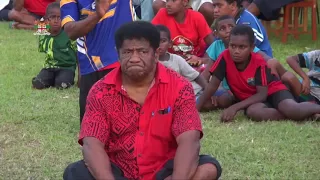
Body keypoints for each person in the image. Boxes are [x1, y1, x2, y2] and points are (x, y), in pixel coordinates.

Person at [63, 21, 222, 180]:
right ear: (117, 54)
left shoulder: (179, 87)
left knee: (208, 168)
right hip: (118, 170)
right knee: (75, 172)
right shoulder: (101, 91)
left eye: (142, 51)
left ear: (156, 53)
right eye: (127, 52)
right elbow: (92, 144)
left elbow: (189, 140)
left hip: (165, 169)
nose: (134, 58)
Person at [197, 25, 320, 122]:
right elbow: (212, 86)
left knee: (292, 109)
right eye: (232, 46)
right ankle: (303, 116)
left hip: (273, 90)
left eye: (242, 47)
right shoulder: (224, 57)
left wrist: (235, 107)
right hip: (253, 100)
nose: (236, 51)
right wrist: (196, 108)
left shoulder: (259, 62)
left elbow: (262, 94)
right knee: (254, 113)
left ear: (251, 48)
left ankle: (303, 111)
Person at [60, 0, 134, 124]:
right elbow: (71, 31)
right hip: (92, 67)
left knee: (126, 127)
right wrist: (98, 14)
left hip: (123, 63)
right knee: (91, 130)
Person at [152, 0, 214, 71]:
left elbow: (213, 45)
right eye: (167, 1)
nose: (168, 4)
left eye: (173, 1)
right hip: (170, 60)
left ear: (185, 2)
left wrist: (202, 59)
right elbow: (149, 37)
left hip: (194, 62)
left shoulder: (197, 17)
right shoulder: (162, 14)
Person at [155, 25, 208, 101]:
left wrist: (208, 92)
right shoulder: (150, 62)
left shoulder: (176, 60)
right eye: (155, 41)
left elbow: (196, 76)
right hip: (167, 98)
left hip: (190, 93)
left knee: (223, 99)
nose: (159, 45)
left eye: (163, 41)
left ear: (170, 43)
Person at [32, 2, 77, 90]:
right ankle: (48, 79)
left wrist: (81, 77)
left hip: (66, 68)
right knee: (39, 83)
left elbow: (78, 54)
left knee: (61, 85)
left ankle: (60, 80)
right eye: (52, 17)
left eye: (59, 17)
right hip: (49, 67)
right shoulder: (43, 33)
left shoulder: (69, 33)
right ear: (46, 19)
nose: (56, 20)